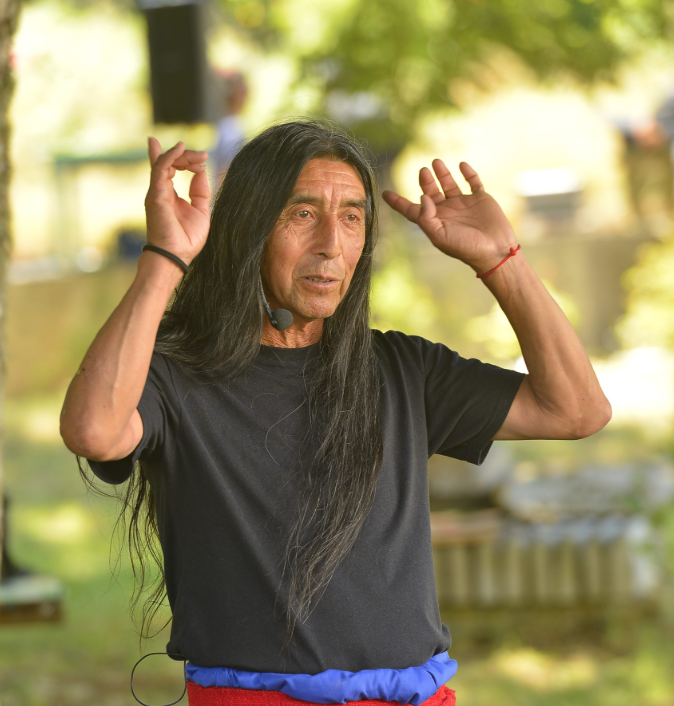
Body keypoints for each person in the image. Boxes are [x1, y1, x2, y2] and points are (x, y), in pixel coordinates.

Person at [59, 119, 612, 706]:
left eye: (351, 217)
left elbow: (577, 410)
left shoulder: (401, 369)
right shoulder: (176, 377)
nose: (331, 244)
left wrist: (503, 260)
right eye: (302, 214)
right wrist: (165, 258)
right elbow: (93, 430)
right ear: (247, 229)